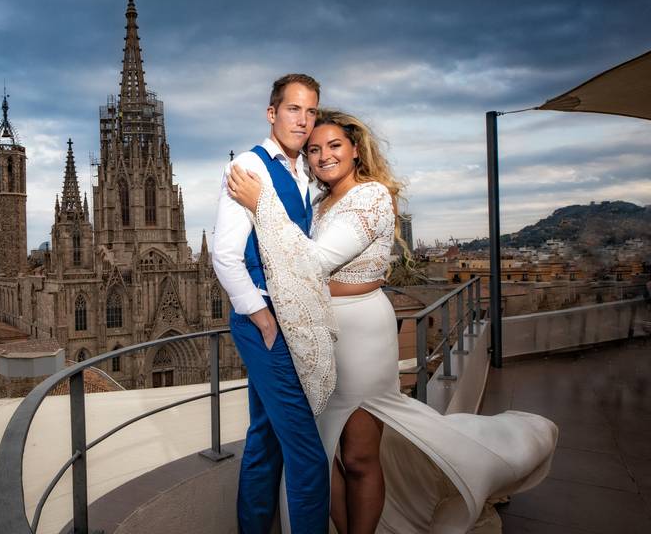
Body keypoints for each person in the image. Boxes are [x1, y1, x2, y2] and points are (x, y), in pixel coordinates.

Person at [228, 109, 559, 534]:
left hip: (361, 332)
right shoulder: (319, 202)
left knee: (359, 455)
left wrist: (262, 203)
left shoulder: (371, 196)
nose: (323, 156)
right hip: (318, 333)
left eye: (333, 146)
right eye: (313, 149)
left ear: (354, 150)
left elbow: (312, 262)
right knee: (319, 450)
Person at [211, 73, 329, 534]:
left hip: (290, 319)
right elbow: (225, 253)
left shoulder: (304, 172)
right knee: (308, 455)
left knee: (266, 441)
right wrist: (259, 316)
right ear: (272, 113)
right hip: (266, 321)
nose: (303, 120)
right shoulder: (250, 166)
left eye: (311, 110)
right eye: (294, 109)